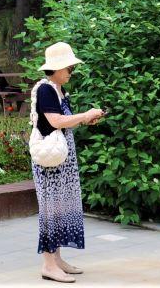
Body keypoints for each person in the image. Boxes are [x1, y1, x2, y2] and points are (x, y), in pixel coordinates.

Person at [32, 42, 105, 283]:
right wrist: (84, 115)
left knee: (61, 209)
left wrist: (85, 120)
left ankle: (58, 260)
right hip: (50, 164)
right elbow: (54, 121)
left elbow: (64, 120)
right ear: (56, 68)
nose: (71, 71)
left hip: (62, 160)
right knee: (51, 210)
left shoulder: (59, 89)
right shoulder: (45, 89)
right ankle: (48, 265)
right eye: (68, 68)